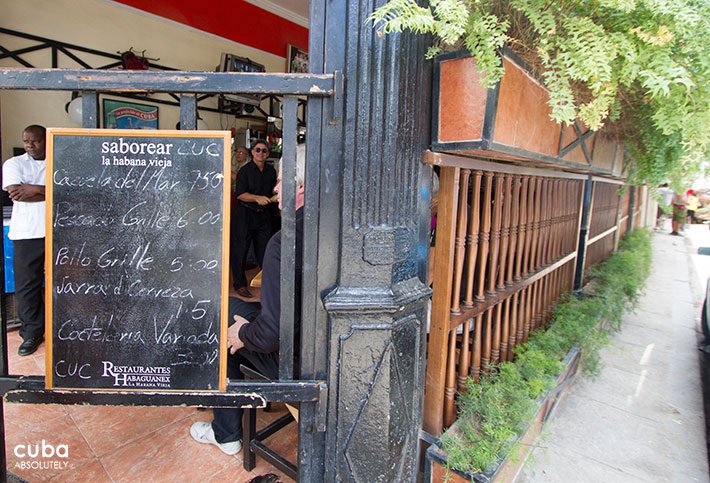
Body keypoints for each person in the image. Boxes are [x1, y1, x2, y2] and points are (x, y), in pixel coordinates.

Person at [190, 144, 306, 455]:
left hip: (298, 366)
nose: (275, 188)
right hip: (322, 350)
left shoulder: (285, 243)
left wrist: (241, 332)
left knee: (223, 329)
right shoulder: (336, 231)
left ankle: (226, 433)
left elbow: (271, 335)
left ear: (302, 186)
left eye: (282, 180)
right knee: (230, 309)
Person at [2, 125, 47, 356]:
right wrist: (48, 191)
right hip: (26, 233)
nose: (30, 145)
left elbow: (71, 191)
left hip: (57, 230)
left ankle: (65, 330)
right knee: (27, 286)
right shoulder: (14, 164)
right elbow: (16, 194)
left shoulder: (59, 160)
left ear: (45, 140)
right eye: (26, 141)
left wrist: (34, 189)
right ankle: (31, 334)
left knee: (66, 283)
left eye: (35, 141)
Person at [230, 140, 277, 299]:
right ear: (252, 152)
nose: (261, 153)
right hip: (244, 213)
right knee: (240, 250)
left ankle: (267, 284)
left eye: (264, 151)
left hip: (263, 215)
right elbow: (240, 194)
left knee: (266, 251)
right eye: (258, 150)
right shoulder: (245, 171)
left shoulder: (271, 171)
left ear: (268, 154)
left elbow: (272, 192)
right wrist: (257, 198)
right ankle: (240, 284)